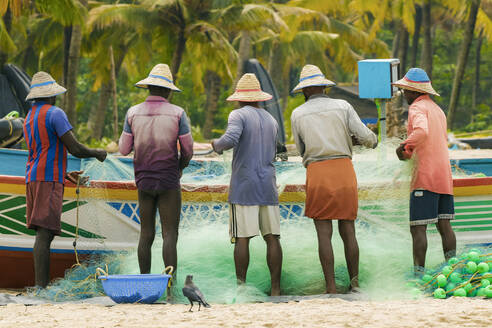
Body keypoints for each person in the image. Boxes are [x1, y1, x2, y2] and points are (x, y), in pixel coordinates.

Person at [290, 65, 377, 293]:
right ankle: (355, 283)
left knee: (323, 233)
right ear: (325, 87)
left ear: (305, 91)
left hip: (317, 171)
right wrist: (368, 139)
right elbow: (367, 138)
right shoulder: (343, 106)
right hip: (343, 170)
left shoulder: (297, 114)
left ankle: (330, 286)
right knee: (348, 230)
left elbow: (301, 149)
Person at [23, 72, 107, 288]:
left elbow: (42, 151)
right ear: (52, 95)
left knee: (43, 232)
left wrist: (65, 175)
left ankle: (40, 285)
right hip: (47, 180)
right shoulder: (55, 113)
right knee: (45, 234)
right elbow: (76, 148)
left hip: (33, 177)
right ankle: (41, 287)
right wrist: (97, 152)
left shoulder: (30, 115)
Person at [119, 64, 193, 276]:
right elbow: (188, 151)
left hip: (143, 180)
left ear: (148, 88)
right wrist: (179, 167)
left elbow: (123, 149)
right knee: (170, 235)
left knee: (146, 234)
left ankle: (145, 282)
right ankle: (170, 288)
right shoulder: (178, 113)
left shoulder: (132, 113)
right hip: (168, 180)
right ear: (169, 90)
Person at [212, 73, 283, 296]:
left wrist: (216, 145)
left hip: (244, 186)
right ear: (259, 98)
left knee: (242, 239)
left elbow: (231, 138)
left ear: (240, 98)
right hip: (268, 186)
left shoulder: (238, 114)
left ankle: (241, 288)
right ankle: (276, 289)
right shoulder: (271, 120)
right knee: (272, 237)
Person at [393, 68, 456, 271]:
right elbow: (431, 141)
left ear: (413, 91)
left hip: (425, 177)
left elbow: (421, 131)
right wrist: (411, 150)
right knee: (444, 226)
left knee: (418, 227)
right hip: (444, 176)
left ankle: (418, 273)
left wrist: (404, 147)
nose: (404, 95)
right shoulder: (437, 109)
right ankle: (452, 268)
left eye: (405, 91)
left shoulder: (417, 108)